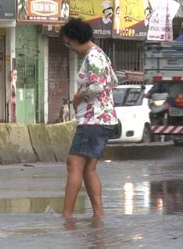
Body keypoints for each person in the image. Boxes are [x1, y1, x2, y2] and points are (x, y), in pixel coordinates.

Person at [60, 18, 118, 219]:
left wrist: (78, 96)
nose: (69, 47)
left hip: (93, 119)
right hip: (102, 119)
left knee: (73, 164)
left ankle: (67, 215)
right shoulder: (100, 55)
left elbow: (99, 85)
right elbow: (114, 80)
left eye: (68, 43)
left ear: (76, 38)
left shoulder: (93, 56)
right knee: (89, 169)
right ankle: (98, 215)